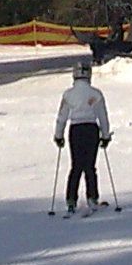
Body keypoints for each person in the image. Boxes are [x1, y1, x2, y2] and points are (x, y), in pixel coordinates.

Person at [54, 60, 111, 214]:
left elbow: (62, 117)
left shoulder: (68, 94)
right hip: (91, 129)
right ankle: (92, 197)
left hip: (76, 130)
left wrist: (59, 135)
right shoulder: (96, 94)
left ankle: (71, 199)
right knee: (90, 166)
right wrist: (105, 135)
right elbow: (103, 116)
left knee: (76, 165)